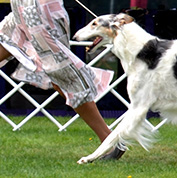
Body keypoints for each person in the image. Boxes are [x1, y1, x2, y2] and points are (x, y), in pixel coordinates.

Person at [0, 0, 125, 160]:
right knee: (5, 40)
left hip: (39, 11)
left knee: (63, 78)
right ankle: (110, 140)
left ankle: (110, 141)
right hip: (22, 7)